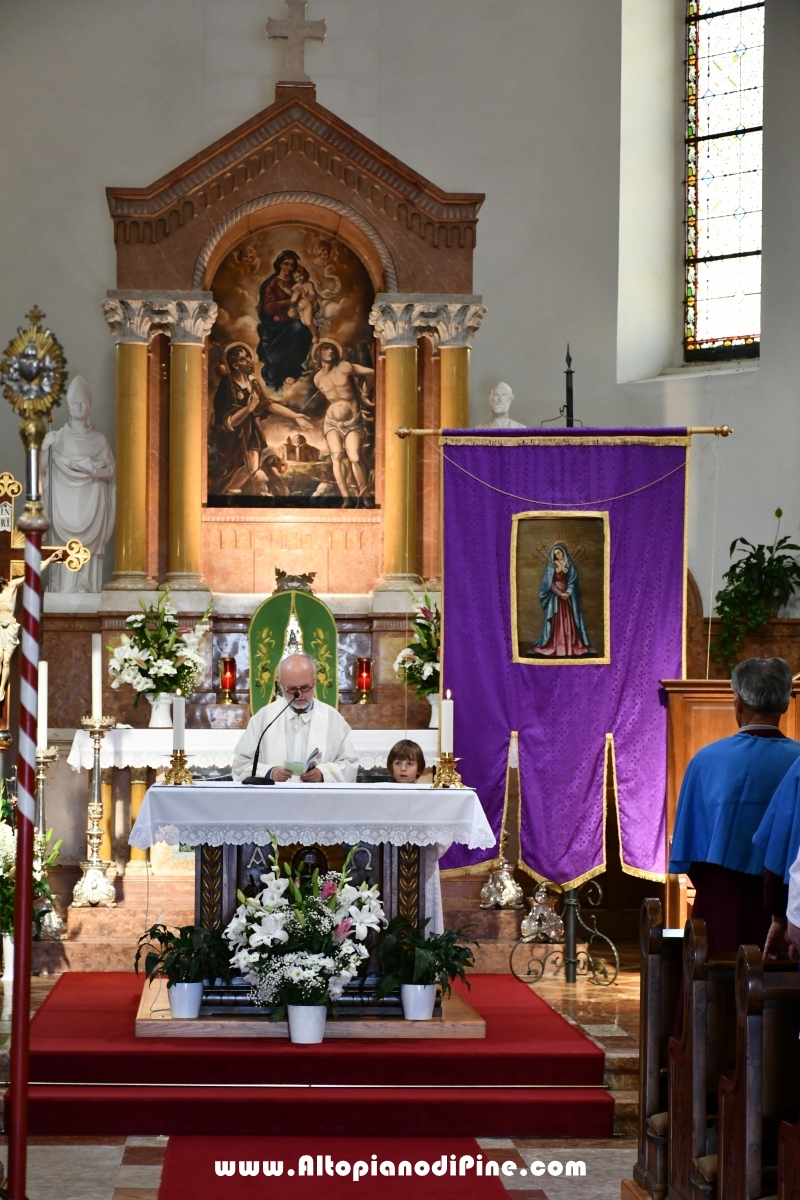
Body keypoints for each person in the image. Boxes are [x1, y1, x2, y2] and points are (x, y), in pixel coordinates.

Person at [669, 657, 800, 954]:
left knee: (716, 988)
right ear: (785, 705)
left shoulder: (705, 761)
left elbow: (690, 851)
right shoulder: (798, 761)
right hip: (791, 901)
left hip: (722, 897)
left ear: (738, 703)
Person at [231, 653, 358, 783]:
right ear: (280, 684)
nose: (299, 695)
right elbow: (241, 765)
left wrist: (322, 775)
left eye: (305, 687)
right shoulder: (264, 718)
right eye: (292, 689)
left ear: (315, 681)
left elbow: (349, 764)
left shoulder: (333, 719)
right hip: (275, 800)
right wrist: (269, 773)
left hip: (317, 800)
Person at [41, 375, 116, 593]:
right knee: (63, 549)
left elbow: (112, 471)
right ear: (68, 404)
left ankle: (86, 584)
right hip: (63, 503)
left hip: (90, 504)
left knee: (88, 551)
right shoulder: (58, 438)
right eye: (74, 402)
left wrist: (93, 469)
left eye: (83, 403)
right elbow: (43, 471)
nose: (78, 406)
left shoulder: (100, 441)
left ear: (89, 406)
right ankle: (61, 586)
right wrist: (45, 448)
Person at [209, 343, 312, 495]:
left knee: (252, 467)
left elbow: (267, 404)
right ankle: (223, 495)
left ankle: (230, 493)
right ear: (235, 364)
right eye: (243, 359)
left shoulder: (252, 381)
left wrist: (294, 415)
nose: (249, 361)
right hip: (232, 437)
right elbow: (227, 421)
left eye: (248, 357)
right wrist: (249, 408)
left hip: (251, 432)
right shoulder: (227, 385)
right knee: (230, 469)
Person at [312, 339, 374, 502]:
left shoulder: (345, 367)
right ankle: (346, 498)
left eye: (332, 349)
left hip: (352, 420)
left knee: (354, 457)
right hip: (331, 422)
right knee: (336, 458)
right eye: (326, 349)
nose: (330, 351)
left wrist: (364, 394)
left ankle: (364, 493)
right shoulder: (317, 378)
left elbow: (370, 373)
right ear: (319, 354)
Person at [0, 552, 64, 702]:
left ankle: (1, 687)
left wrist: (49, 559)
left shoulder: (12, 585)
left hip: (10, 627)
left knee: (7, 659)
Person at [256, 250, 314, 390]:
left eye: (292, 265)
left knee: (302, 331)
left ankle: (292, 373)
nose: (289, 268)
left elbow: (306, 300)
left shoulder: (297, 282)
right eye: (286, 264)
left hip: (293, 321)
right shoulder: (272, 284)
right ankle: (277, 378)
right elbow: (269, 308)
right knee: (297, 329)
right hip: (275, 326)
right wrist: (290, 301)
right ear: (279, 264)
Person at [531, 543, 592, 657]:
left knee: (569, 618)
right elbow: (549, 583)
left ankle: (570, 645)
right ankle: (557, 644)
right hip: (557, 596)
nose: (558, 555)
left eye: (559, 552)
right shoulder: (552, 565)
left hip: (568, 595)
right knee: (557, 619)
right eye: (555, 554)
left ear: (563, 552)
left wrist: (568, 592)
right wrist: (560, 593)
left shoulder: (569, 564)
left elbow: (572, 580)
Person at [289, 266, 320, 342]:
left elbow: (313, 296)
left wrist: (305, 296)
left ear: (305, 274)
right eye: (296, 277)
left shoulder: (309, 284)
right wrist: (294, 298)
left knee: (308, 322)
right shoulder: (295, 287)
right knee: (302, 321)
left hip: (307, 306)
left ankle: (315, 335)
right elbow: (292, 299)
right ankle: (313, 320)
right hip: (298, 307)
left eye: (300, 276)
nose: (299, 278)